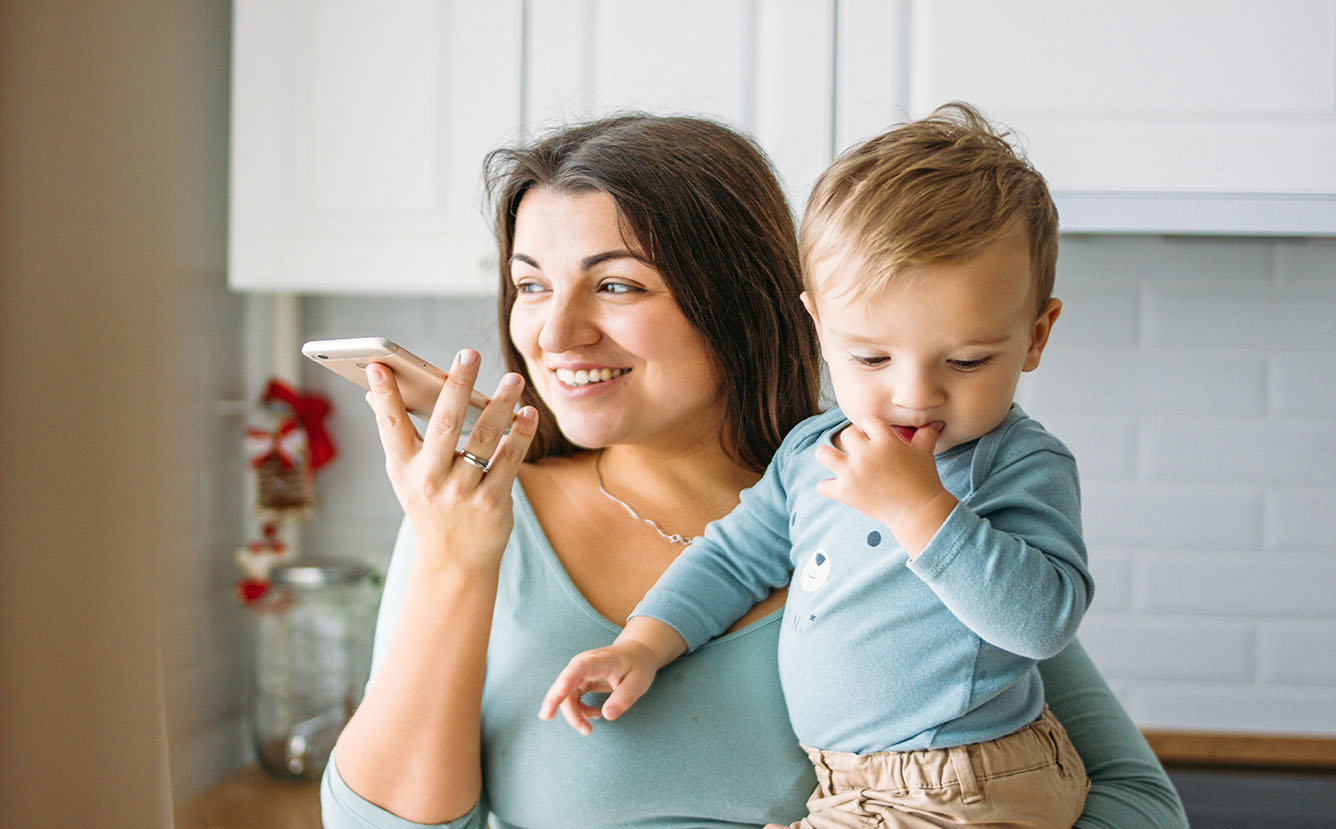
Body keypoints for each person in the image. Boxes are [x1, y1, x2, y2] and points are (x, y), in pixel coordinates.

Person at [321, 113, 1189, 829]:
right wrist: (450, 559)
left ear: (739, 296)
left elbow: (1140, 803)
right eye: (531, 286)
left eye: (617, 286)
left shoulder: (912, 489)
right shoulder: (475, 524)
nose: (553, 333)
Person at [541, 103, 1090, 828]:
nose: (914, 394)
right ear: (819, 327)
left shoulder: (1016, 462)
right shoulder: (810, 452)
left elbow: (1045, 622)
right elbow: (733, 560)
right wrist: (642, 645)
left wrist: (919, 509)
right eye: (870, 357)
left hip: (964, 779)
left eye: (966, 360)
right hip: (853, 783)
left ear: (1036, 334)